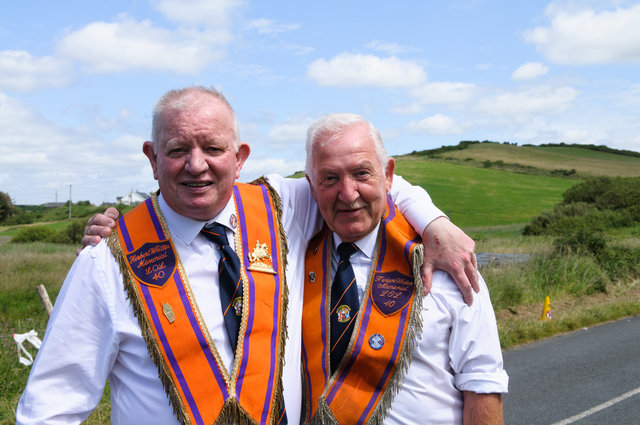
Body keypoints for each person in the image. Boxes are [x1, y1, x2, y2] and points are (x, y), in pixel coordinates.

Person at [16, 87, 478, 425]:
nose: (196, 165)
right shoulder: (109, 260)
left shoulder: (282, 206)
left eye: (212, 148)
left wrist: (436, 223)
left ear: (239, 158)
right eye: (177, 150)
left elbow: (367, 178)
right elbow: (51, 407)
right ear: (152, 158)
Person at [300, 113, 508, 424]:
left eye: (361, 173)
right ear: (311, 185)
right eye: (330, 178)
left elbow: (482, 382)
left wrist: (435, 221)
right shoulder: (290, 260)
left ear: (388, 176)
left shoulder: (447, 263)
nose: (348, 193)